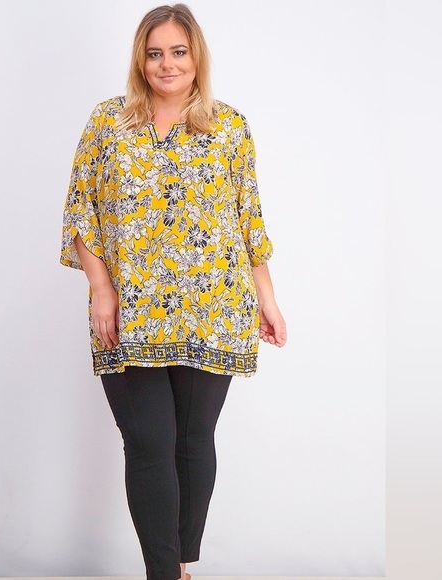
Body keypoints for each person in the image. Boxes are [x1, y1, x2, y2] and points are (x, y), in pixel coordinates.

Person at [60, 4, 287, 579]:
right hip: (132, 311)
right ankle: (163, 574)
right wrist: (100, 287)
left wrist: (267, 297)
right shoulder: (109, 122)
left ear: (196, 56)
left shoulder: (229, 126)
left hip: (214, 307)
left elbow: (248, 218)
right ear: (141, 60)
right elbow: (81, 210)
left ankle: (182, 565)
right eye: (155, 53)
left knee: (192, 440)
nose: (167, 64)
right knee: (148, 441)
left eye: (178, 52)